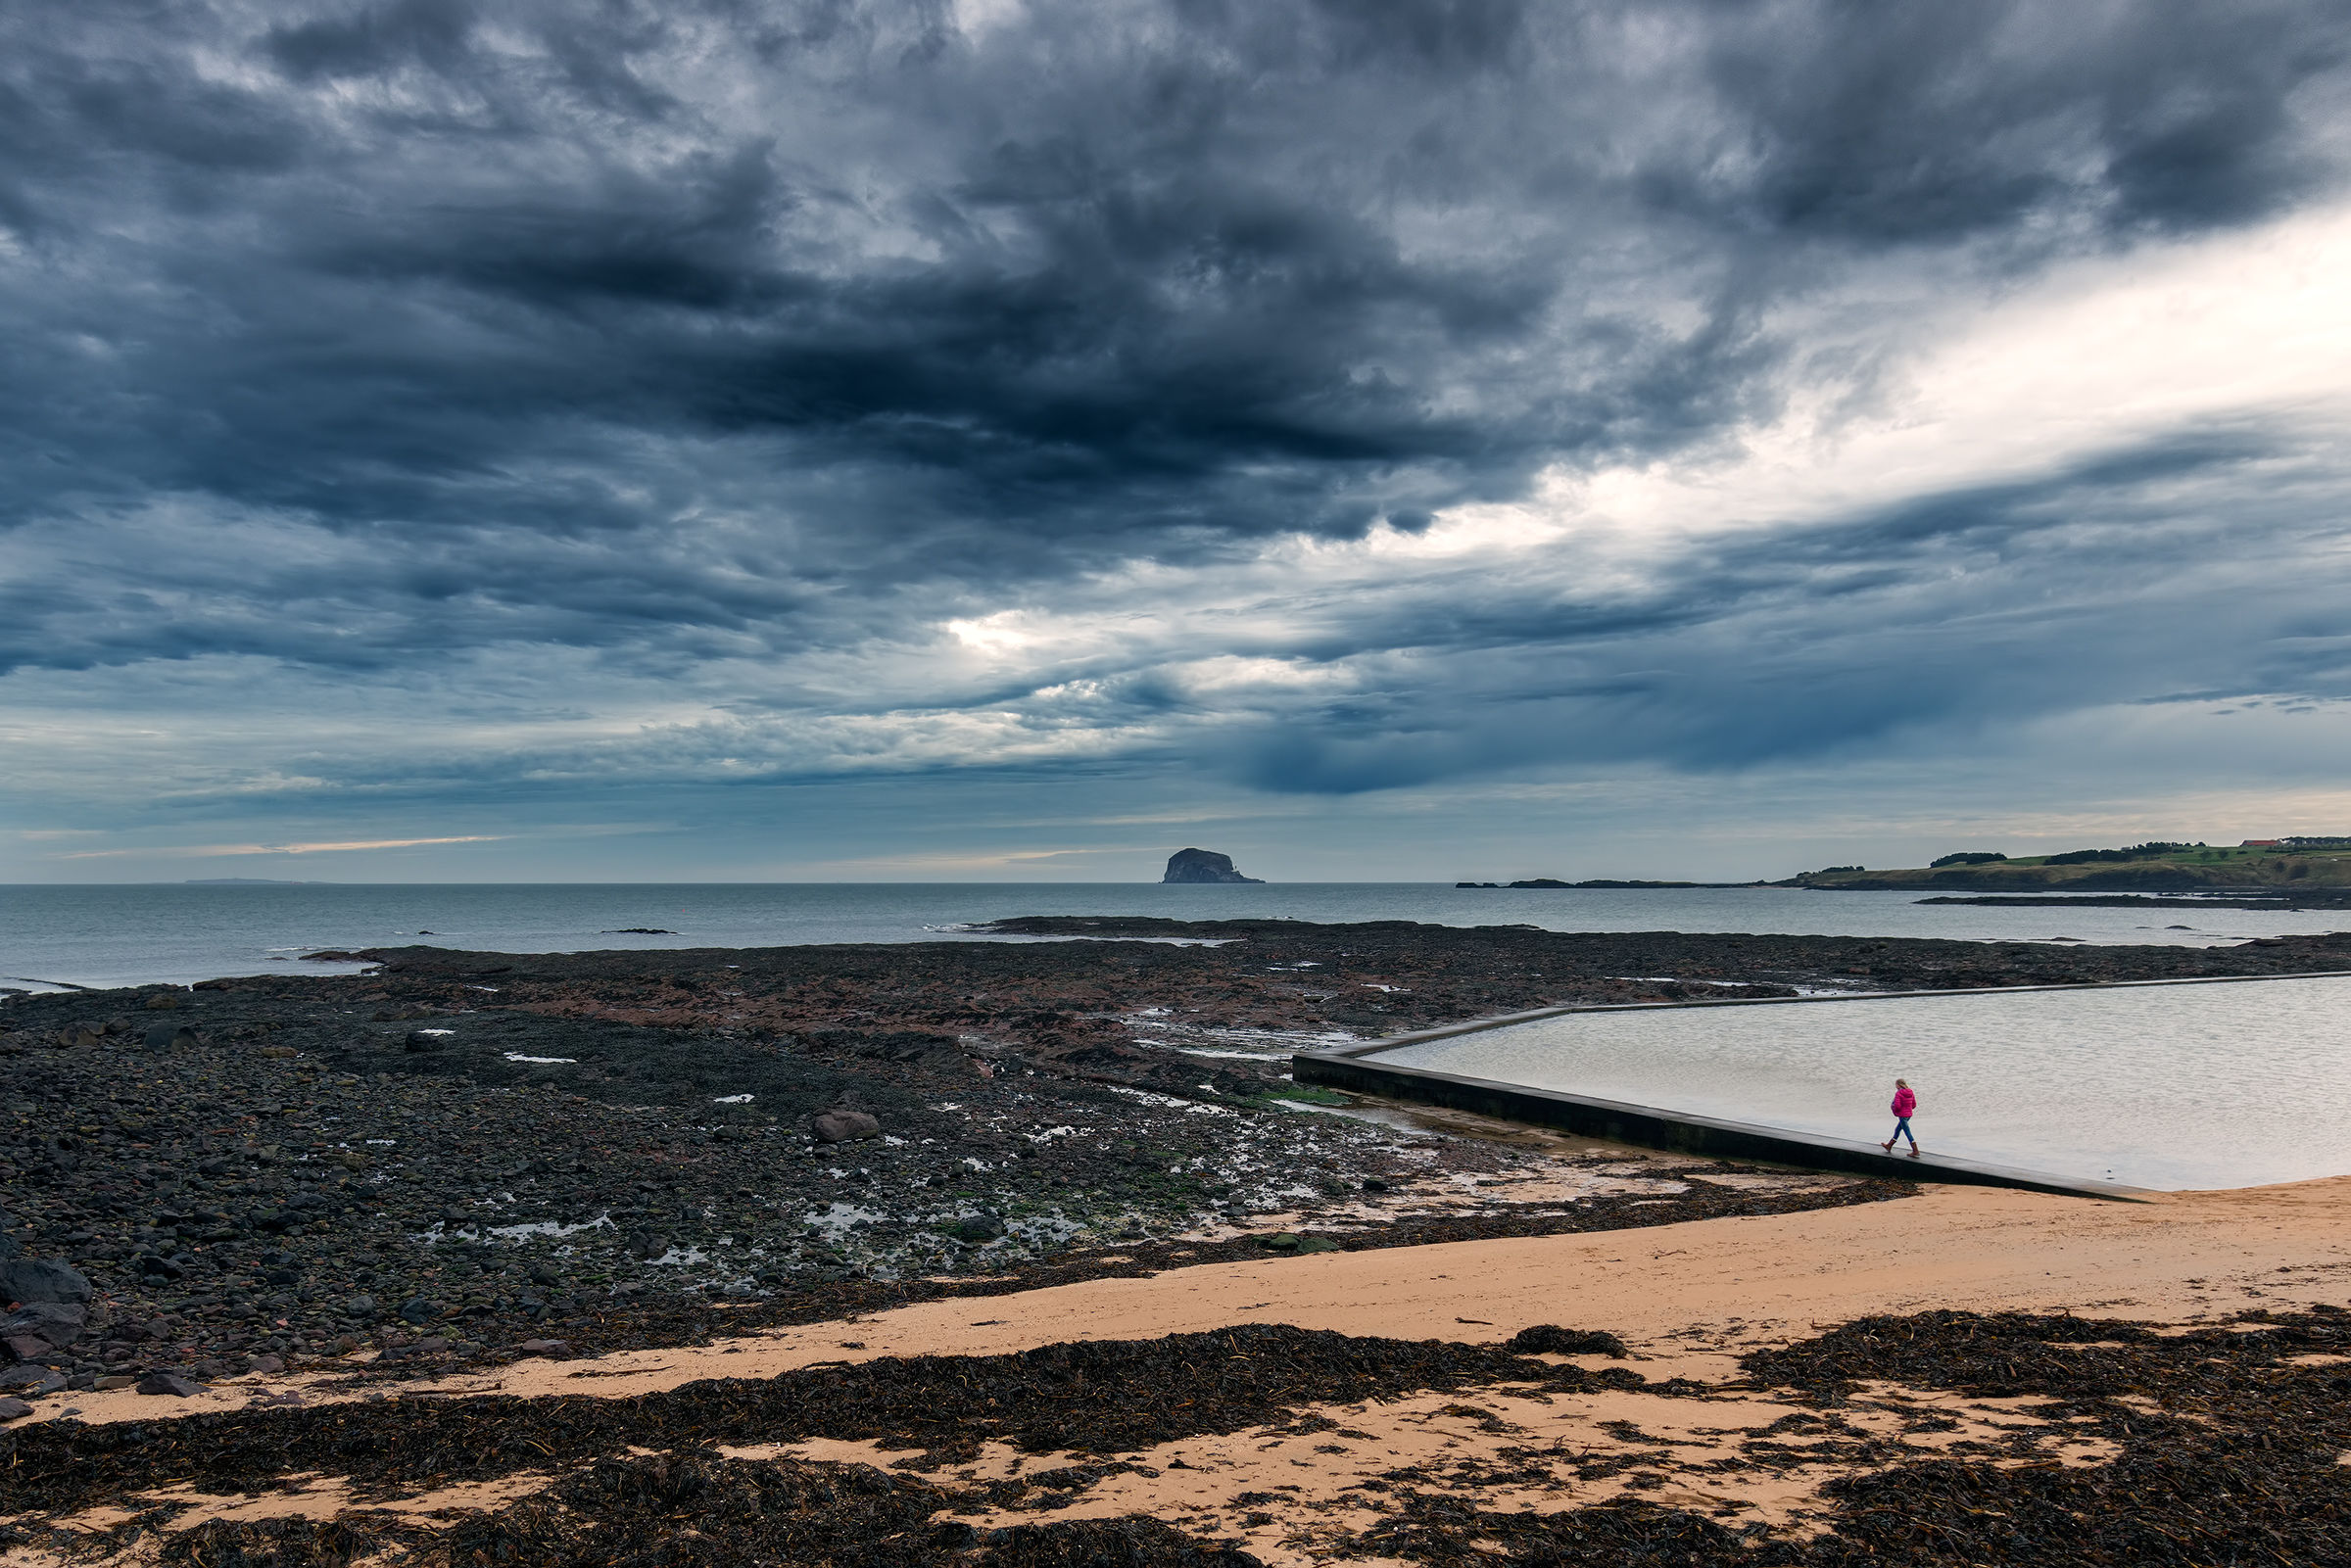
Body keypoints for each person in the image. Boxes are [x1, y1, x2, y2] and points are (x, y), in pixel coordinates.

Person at [1883, 1078, 1919, 1158]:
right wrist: (1907, 1108)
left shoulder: (1899, 1093)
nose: (1895, 1086)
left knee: (1907, 1132)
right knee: (1898, 1129)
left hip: (1902, 1116)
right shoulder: (1911, 1092)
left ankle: (1915, 1150)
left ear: (1898, 1085)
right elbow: (1914, 1105)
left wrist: (1895, 1111)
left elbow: (1897, 1106)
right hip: (1908, 1115)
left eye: (1896, 1084)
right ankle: (1889, 1145)